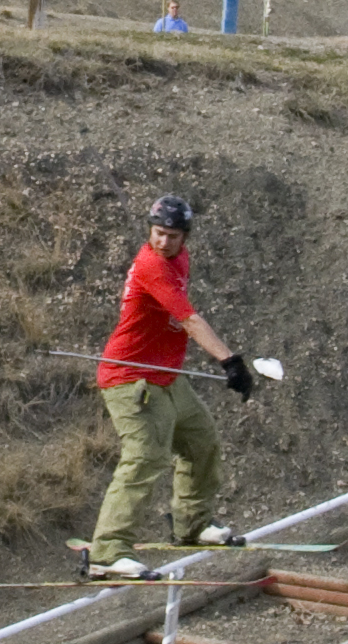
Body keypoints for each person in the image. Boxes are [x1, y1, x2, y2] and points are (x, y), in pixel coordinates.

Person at [86, 194, 258, 576]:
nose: (164, 242)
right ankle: (108, 553)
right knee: (146, 457)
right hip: (129, 376)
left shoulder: (180, 259)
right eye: (158, 233)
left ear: (185, 237)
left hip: (167, 376)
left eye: (173, 236)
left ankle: (194, 524)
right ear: (150, 230)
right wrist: (229, 361)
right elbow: (189, 320)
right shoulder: (153, 266)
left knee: (202, 441)